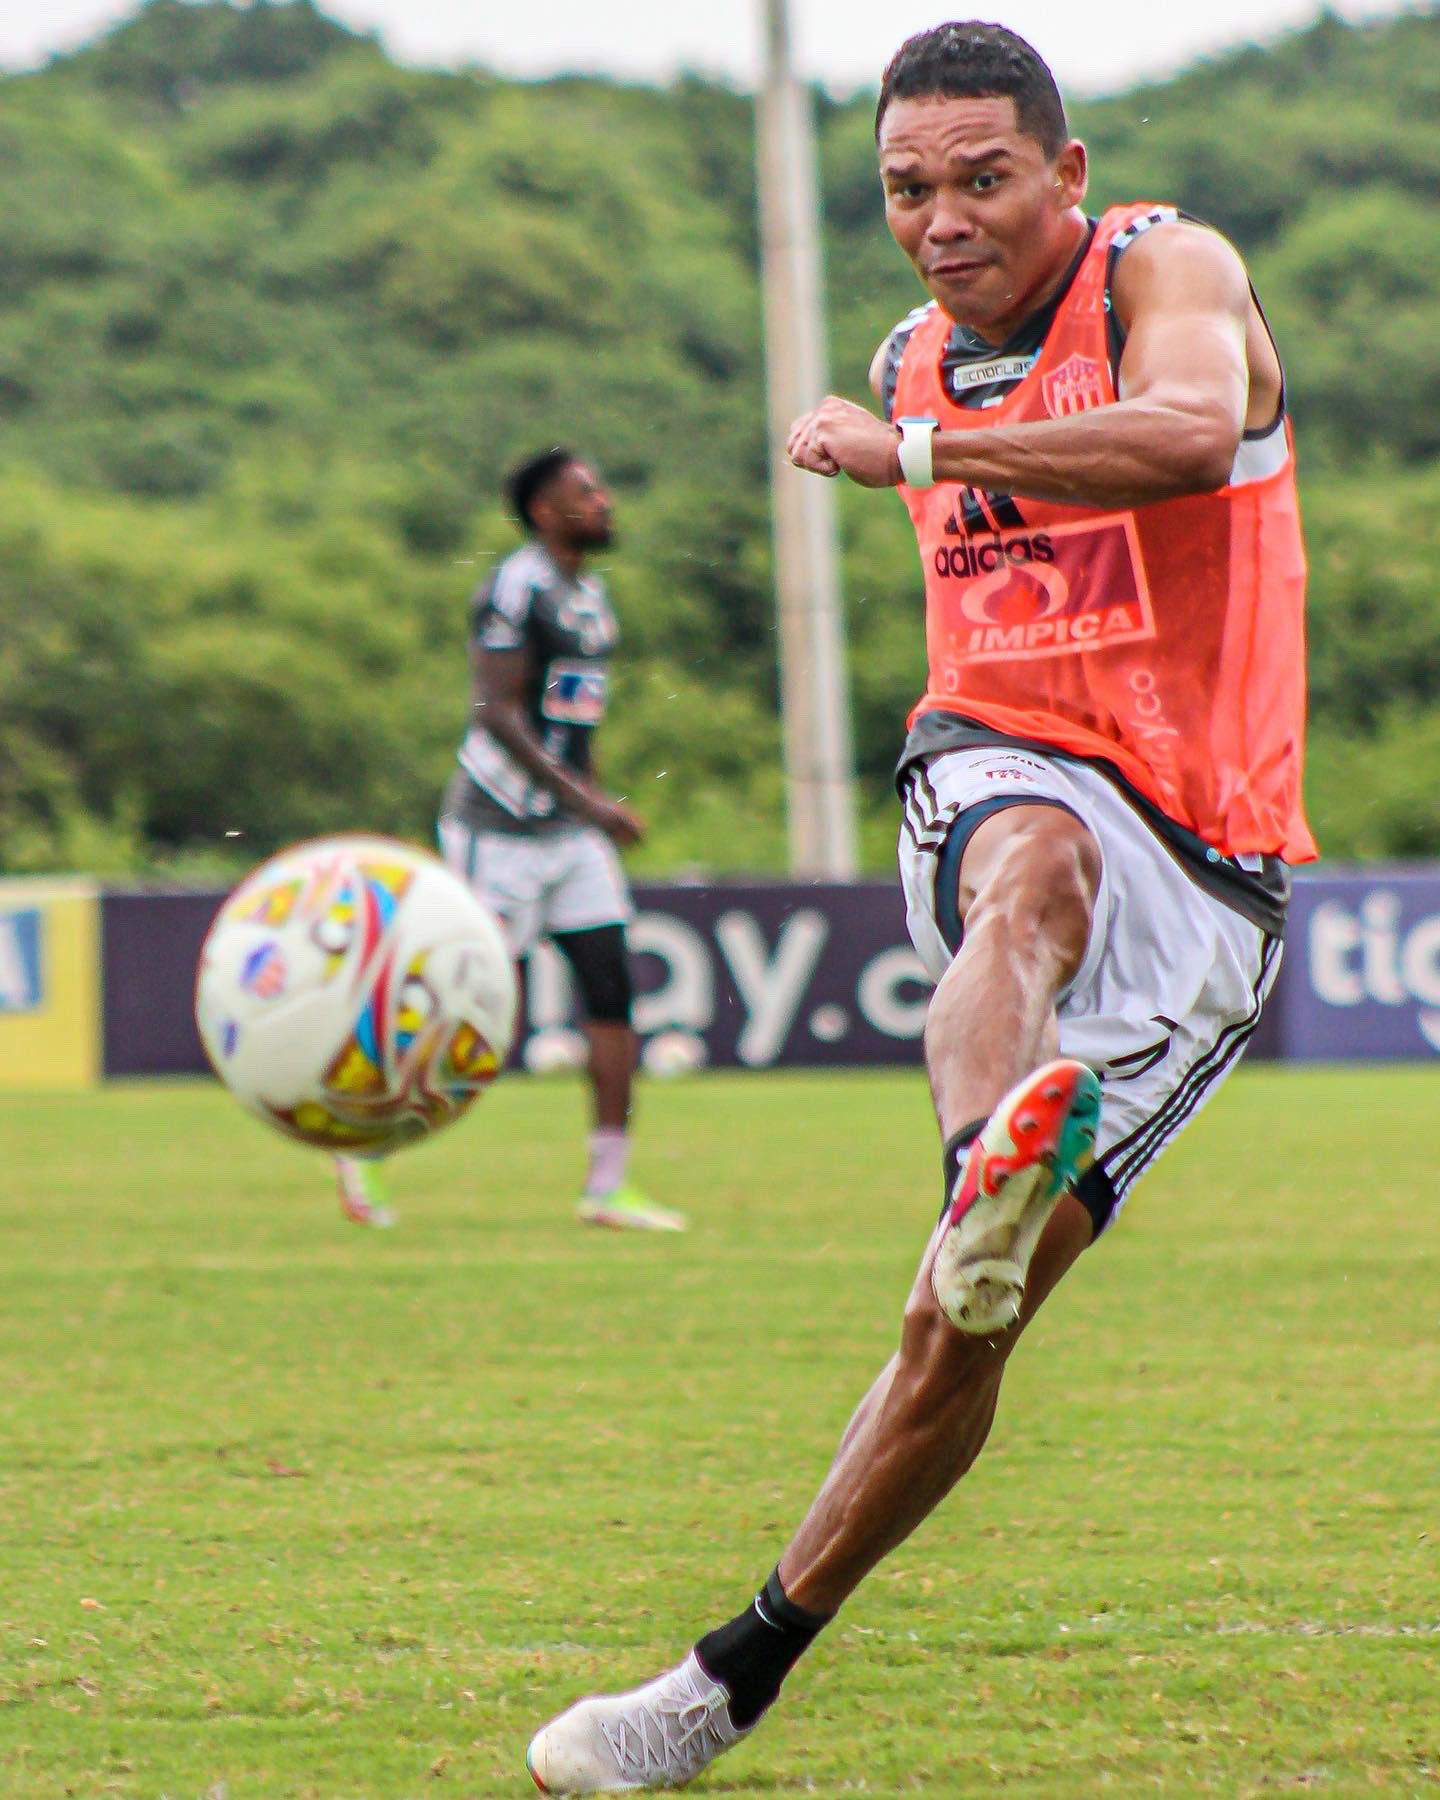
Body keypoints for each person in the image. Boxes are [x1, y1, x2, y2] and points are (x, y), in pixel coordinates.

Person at [524, 19, 1314, 1792]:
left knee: (958, 1332)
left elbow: (1192, 440)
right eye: (904, 188)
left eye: (979, 180)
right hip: (1005, 755)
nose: (940, 219)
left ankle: (731, 1676)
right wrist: (928, 441)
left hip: (1215, 860)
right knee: (1028, 875)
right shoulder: (912, 351)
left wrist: (927, 460)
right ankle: (991, 1158)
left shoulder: (1170, 274)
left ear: (1068, 177)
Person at [336, 448, 683, 1234]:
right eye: (586, 491)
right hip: (497, 829)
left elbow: (572, 719)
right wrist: (591, 803)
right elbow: (496, 713)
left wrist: (590, 803)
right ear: (544, 512)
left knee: (612, 993)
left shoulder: (591, 593)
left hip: (569, 834)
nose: (605, 501)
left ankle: (607, 1185)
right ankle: (363, 1143)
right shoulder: (515, 585)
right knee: (474, 1012)